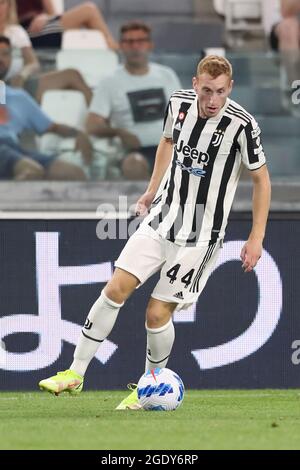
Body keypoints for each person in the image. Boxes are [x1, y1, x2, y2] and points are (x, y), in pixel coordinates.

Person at [39, 55, 271, 409]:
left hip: (200, 237)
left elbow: (261, 180)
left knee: (156, 313)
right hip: (161, 221)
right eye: (206, 90)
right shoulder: (178, 104)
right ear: (195, 84)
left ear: (230, 88)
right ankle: (75, 372)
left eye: (220, 92)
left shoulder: (243, 125)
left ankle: (148, 388)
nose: (212, 100)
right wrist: (151, 189)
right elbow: (167, 142)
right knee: (116, 287)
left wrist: (256, 238)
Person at [86, 21, 181, 180]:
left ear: (150, 45)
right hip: (134, 151)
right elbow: (92, 124)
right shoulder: (109, 82)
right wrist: (118, 132)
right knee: (134, 165)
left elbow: (184, 112)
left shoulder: (166, 75)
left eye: (141, 41)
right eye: (129, 42)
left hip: (171, 146)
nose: (135, 47)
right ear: (121, 46)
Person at [0, 36, 92, 180]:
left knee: (73, 173)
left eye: (5, 54)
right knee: (31, 170)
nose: (1, 59)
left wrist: (78, 134)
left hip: (14, 150)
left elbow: (52, 127)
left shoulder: (19, 97)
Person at [0, 0, 92, 104]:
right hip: (4, 88)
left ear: (9, 6)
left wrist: (22, 74)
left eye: (2, 3)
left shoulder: (16, 32)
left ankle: (99, 115)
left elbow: (33, 62)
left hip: (21, 84)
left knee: (72, 75)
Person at [16, 0, 118, 50]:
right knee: (88, 11)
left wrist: (44, 16)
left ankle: (115, 53)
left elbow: (52, 13)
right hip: (25, 32)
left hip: (43, 25)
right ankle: (117, 54)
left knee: (89, 11)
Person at [263, 0, 300, 90]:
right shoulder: (295, 23)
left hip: (285, 51)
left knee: (290, 71)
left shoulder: (282, 24)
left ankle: (293, 87)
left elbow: (274, 35)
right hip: (295, 50)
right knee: (295, 70)